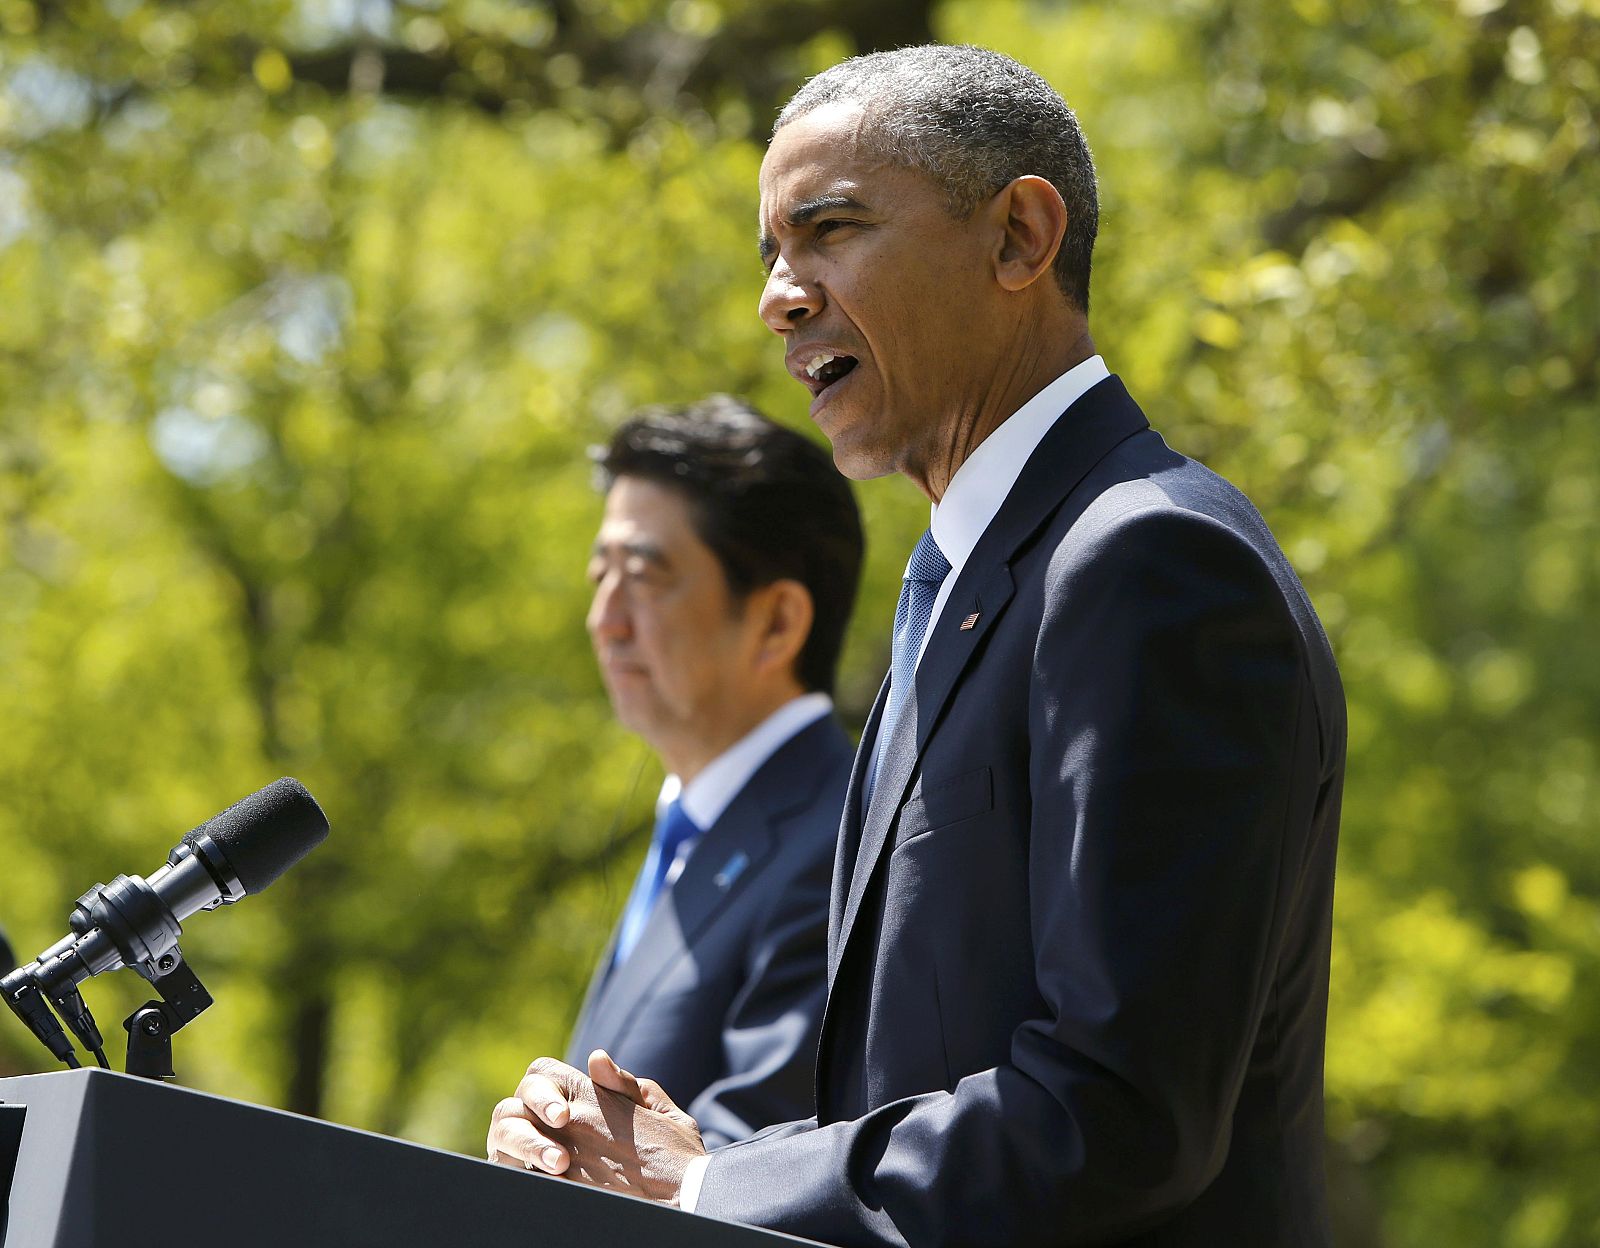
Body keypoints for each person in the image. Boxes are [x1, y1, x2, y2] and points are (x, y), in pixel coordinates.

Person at [489, 45, 1346, 1247]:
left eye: (830, 229)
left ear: (1018, 238)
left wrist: (704, 1191)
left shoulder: (1146, 562)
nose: (778, 295)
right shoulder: (958, 580)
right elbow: (903, 1091)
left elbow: (1118, 1112)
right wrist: (667, 1158)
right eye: (771, 256)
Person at [563, 397, 864, 1149]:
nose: (605, 618)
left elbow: (765, 1156)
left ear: (777, 623)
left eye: (643, 575)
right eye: (600, 573)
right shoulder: (697, 830)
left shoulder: (842, 842)